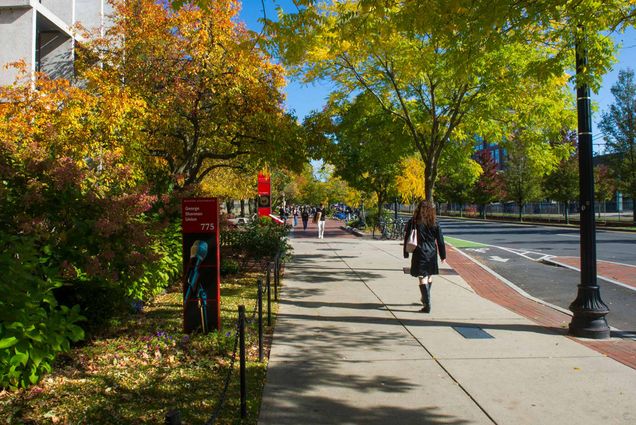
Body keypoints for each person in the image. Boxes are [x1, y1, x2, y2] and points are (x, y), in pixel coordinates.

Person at [403, 200, 446, 313]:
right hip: (431, 252)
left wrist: (406, 252)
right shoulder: (435, 223)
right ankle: (425, 298)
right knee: (429, 275)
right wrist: (443, 255)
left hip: (419, 252)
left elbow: (407, 237)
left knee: (422, 277)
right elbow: (440, 241)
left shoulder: (414, 221)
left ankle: (427, 304)